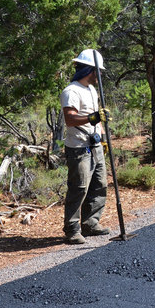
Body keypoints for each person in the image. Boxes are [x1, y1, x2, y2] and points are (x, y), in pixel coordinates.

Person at [60, 49, 111, 244]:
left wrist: (103, 138)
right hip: (79, 147)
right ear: (89, 70)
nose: (100, 77)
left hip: (95, 144)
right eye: (98, 72)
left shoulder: (91, 90)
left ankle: (90, 223)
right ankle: (72, 229)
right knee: (79, 187)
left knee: (99, 185)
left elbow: (99, 117)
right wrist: (92, 118)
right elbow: (70, 118)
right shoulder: (71, 91)